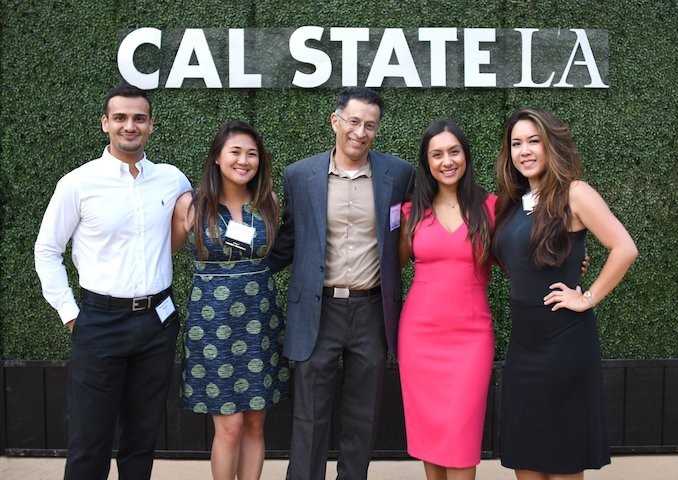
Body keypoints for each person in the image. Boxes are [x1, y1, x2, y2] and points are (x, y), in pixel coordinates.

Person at [34, 85, 191, 480]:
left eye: (139, 118)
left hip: (158, 322)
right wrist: (71, 315)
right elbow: (46, 250)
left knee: (141, 441)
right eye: (120, 117)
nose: (129, 125)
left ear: (152, 125)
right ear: (105, 123)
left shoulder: (172, 180)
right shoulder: (79, 183)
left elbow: (188, 227)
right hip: (99, 323)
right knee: (90, 442)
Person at [268, 86, 415, 480]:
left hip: (372, 310)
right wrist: (241, 267)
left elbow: (421, 231)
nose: (360, 132)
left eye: (370, 125)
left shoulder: (398, 175)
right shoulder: (299, 176)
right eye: (353, 121)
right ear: (335, 121)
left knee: (362, 416)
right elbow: (289, 239)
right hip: (318, 308)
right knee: (308, 417)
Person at [492, 107, 638, 480]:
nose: (524, 151)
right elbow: (516, 258)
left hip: (565, 344)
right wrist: (570, 257)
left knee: (561, 460)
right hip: (524, 346)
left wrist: (586, 296)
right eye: (516, 144)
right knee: (525, 458)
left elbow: (624, 248)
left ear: (550, 144)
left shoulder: (576, 193)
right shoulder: (513, 201)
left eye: (533, 141)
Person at [171, 120, 290, 480]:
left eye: (251, 154)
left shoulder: (267, 203)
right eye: (235, 152)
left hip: (260, 323)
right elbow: (157, 257)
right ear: (217, 158)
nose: (244, 160)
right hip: (212, 328)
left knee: (255, 423)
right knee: (231, 426)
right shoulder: (190, 205)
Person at [398, 119, 496, 480]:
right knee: (430, 436)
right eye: (437, 154)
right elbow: (388, 266)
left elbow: (520, 256)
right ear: (427, 162)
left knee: (460, 436)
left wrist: (567, 264)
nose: (447, 161)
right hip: (419, 338)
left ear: (466, 155)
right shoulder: (410, 213)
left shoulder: (491, 208)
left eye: (453, 151)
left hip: (471, 339)